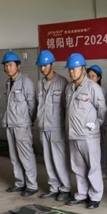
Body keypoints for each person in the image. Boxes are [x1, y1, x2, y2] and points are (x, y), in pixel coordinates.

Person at [65, 54, 107, 209]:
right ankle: (82, 194)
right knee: (78, 167)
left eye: (74, 69)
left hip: (89, 135)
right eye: (70, 69)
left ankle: (95, 196)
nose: (71, 72)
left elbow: (102, 110)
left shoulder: (93, 87)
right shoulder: (69, 88)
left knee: (93, 166)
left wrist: (96, 124)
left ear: (83, 69)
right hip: (73, 134)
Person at [35, 50, 71, 201]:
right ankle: (53, 187)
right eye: (41, 66)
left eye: (45, 65)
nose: (43, 68)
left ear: (53, 65)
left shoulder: (62, 83)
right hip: (43, 127)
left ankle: (65, 188)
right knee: (48, 159)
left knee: (59, 159)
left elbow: (67, 107)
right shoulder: (40, 84)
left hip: (57, 128)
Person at [1, 51, 38, 197]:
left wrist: (29, 120)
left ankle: (32, 185)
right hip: (10, 123)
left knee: (26, 155)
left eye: (10, 65)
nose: (8, 68)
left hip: (22, 125)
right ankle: (20, 183)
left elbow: (32, 104)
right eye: (6, 65)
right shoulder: (8, 82)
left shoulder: (26, 82)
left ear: (18, 66)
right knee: (14, 156)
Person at [87, 65, 107, 179]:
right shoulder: (85, 89)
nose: (90, 78)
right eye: (89, 76)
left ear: (98, 78)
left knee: (100, 148)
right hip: (87, 126)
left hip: (98, 124)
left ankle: (102, 169)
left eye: (93, 76)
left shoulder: (101, 91)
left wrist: (98, 123)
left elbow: (102, 109)